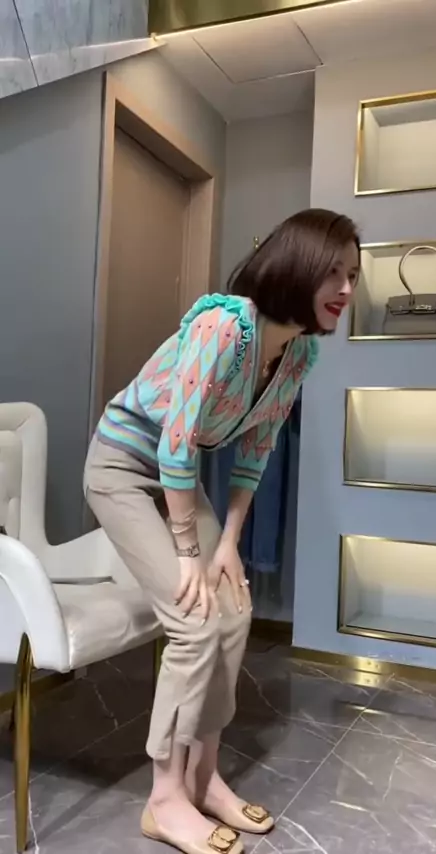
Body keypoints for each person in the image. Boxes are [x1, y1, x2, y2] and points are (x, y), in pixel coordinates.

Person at [83, 208, 360, 854]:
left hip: (176, 478)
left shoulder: (299, 353)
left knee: (234, 608)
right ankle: (163, 800)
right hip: (123, 466)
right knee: (192, 618)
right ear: (295, 267)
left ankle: (203, 777)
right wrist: (188, 552)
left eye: (353, 274)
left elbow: (256, 450)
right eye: (334, 272)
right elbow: (177, 444)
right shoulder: (225, 328)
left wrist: (228, 542)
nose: (347, 289)